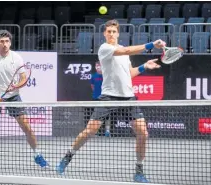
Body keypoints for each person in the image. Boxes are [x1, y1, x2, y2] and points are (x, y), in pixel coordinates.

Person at [56, 20, 165, 183]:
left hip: (128, 98)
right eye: (109, 32)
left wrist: (144, 66)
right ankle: (68, 156)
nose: (111, 34)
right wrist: (151, 45)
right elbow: (127, 49)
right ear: (104, 34)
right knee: (90, 131)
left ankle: (139, 171)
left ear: (118, 33)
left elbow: (130, 73)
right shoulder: (105, 48)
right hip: (108, 97)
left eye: (114, 31)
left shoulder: (124, 53)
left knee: (143, 133)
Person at [0, 30, 48, 170]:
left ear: (10, 43)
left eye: (7, 41)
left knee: (27, 128)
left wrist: (16, 86)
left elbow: (24, 78)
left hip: (13, 97)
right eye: (2, 42)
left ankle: (37, 155)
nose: (4, 44)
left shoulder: (16, 58)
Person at [90, 61, 110, 137]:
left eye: (99, 65)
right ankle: (95, 132)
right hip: (96, 98)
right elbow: (92, 86)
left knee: (107, 116)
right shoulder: (93, 76)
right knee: (96, 116)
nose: (98, 67)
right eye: (97, 65)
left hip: (106, 98)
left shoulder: (106, 75)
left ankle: (107, 131)